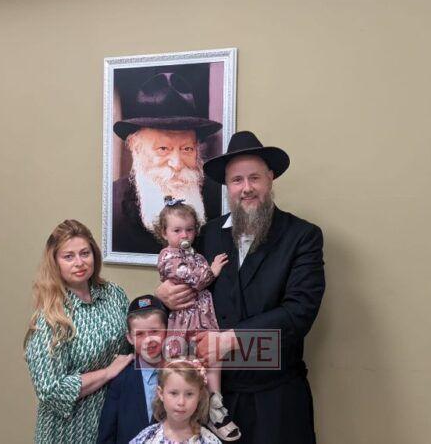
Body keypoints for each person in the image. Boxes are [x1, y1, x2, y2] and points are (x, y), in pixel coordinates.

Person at [156, 131, 326, 444]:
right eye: (237, 180)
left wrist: (228, 340)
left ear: (270, 178)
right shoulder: (205, 236)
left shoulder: (302, 236)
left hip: (276, 398)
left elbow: (299, 313)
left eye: (254, 178)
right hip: (213, 400)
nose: (246, 188)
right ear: (227, 186)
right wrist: (161, 296)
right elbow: (183, 284)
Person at [24, 219, 134, 444]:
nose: (79, 262)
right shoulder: (51, 316)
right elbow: (51, 391)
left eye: (85, 253)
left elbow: (134, 342)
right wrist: (107, 373)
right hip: (69, 430)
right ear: (55, 262)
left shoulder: (114, 294)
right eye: (68, 256)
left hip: (113, 420)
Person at [152, 197, 240, 441]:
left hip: (204, 317)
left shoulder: (195, 254)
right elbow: (195, 279)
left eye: (190, 230)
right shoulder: (168, 256)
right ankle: (178, 417)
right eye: (177, 230)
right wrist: (213, 270)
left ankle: (215, 402)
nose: (185, 235)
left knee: (213, 357)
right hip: (185, 320)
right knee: (184, 365)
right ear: (164, 232)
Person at [112, 72, 222, 254]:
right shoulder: (114, 204)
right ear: (135, 148)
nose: (177, 164)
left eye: (187, 149)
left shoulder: (217, 198)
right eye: (163, 149)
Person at [97, 295, 169, 444]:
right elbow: (107, 434)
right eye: (140, 334)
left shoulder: (180, 373)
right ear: (130, 338)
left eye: (155, 331)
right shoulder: (121, 379)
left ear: (167, 330)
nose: (148, 340)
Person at [130, 360, 222, 444]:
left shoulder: (210, 441)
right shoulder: (146, 438)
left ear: (199, 395)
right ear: (161, 393)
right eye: (174, 393)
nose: (181, 402)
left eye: (189, 394)